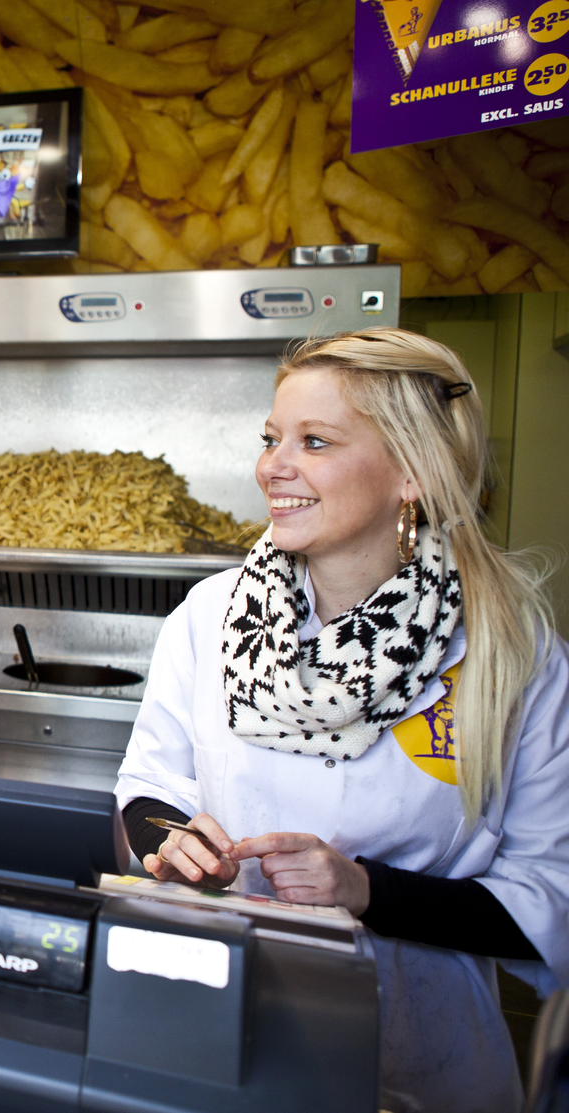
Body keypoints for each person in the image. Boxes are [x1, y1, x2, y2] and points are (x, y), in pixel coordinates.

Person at [115, 329, 568, 1113]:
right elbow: (151, 783)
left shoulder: (509, 653)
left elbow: (550, 894)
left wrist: (366, 890)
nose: (272, 466)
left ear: (411, 474)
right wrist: (171, 841)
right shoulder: (211, 618)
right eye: (271, 438)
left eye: (314, 441)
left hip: (421, 1059)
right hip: (219, 1024)